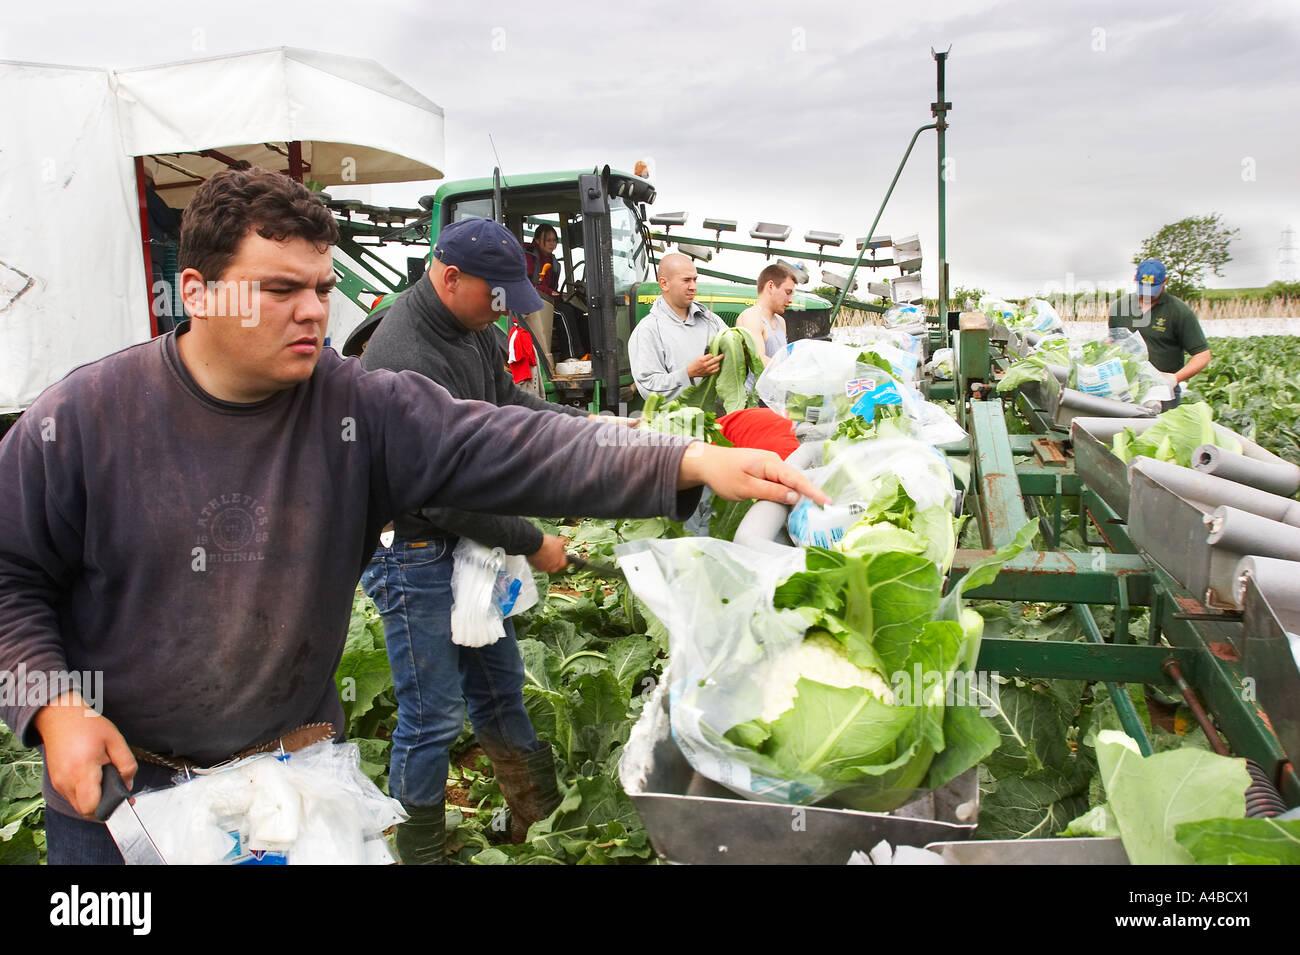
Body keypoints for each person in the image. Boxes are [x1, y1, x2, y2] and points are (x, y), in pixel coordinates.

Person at [0, 166, 828, 864]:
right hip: (117, 800)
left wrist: (685, 461)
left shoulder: (358, 408)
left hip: (289, 790)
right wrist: (54, 709)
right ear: (197, 291)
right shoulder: (83, 421)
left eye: (322, 289)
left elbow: (512, 442)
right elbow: (9, 578)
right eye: (279, 290)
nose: (314, 312)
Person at [359, 217, 604, 862]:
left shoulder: (475, 329)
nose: (503, 310)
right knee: (432, 716)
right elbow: (439, 495)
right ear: (449, 277)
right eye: (495, 296)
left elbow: (508, 402)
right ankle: (421, 850)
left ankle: (539, 819)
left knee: (500, 687)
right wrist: (531, 539)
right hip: (411, 552)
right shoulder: (403, 358)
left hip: (464, 548)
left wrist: (588, 430)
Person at [1109, 258, 1211, 409]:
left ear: (1165, 281)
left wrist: (1175, 378)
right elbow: (1112, 342)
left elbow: (1203, 355)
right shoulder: (1119, 307)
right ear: (1135, 280)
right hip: (1124, 389)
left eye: (1153, 288)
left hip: (1162, 392)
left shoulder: (1179, 312)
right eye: (1144, 288)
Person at [628, 252, 729, 400]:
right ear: (664, 283)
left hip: (721, 418)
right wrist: (688, 373)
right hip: (679, 420)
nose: (693, 287)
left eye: (695, 279)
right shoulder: (648, 330)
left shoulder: (712, 320)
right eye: (686, 280)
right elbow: (648, 388)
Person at [735, 263, 796, 368]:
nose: (790, 300)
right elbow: (759, 360)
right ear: (771, 286)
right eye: (788, 292)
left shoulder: (781, 322)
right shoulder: (751, 317)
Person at [522, 224, 561, 369]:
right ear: (537, 240)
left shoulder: (553, 261)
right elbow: (526, 282)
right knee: (564, 314)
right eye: (548, 240)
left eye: (555, 240)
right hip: (531, 303)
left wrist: (555, 293)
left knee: (576, 311)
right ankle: (570, 355)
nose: (553, 244)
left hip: (546, 300)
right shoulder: (529, 256)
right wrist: (549, 291)